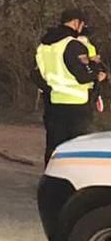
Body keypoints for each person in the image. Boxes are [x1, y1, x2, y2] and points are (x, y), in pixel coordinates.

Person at [33, 9, 106, 162]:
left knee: (54, 147)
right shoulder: (73, 45)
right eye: (82, 24)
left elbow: (35, 73)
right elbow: (84, 75)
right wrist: (97, 73)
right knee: (77, 150)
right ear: (75, 22)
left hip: (53, 103)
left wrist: (50, 89)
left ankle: (52, 181)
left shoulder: (45, 45)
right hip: (76, 106)